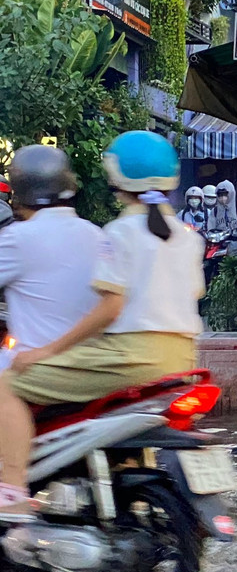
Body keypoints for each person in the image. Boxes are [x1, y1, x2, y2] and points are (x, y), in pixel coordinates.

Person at [0, 132, 205, 520]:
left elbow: (110, 308)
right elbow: (193, 293)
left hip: (127, 356)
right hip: (184, 358)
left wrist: (46, 351)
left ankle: (10, 488)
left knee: (6, 383)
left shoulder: (117, 233)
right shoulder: (183, 238)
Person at [0, 145, 121, 520]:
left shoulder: (19, 239)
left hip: (43, 364)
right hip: (97, 361)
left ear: (18, 192)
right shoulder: (96, 234)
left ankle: (9, 489)